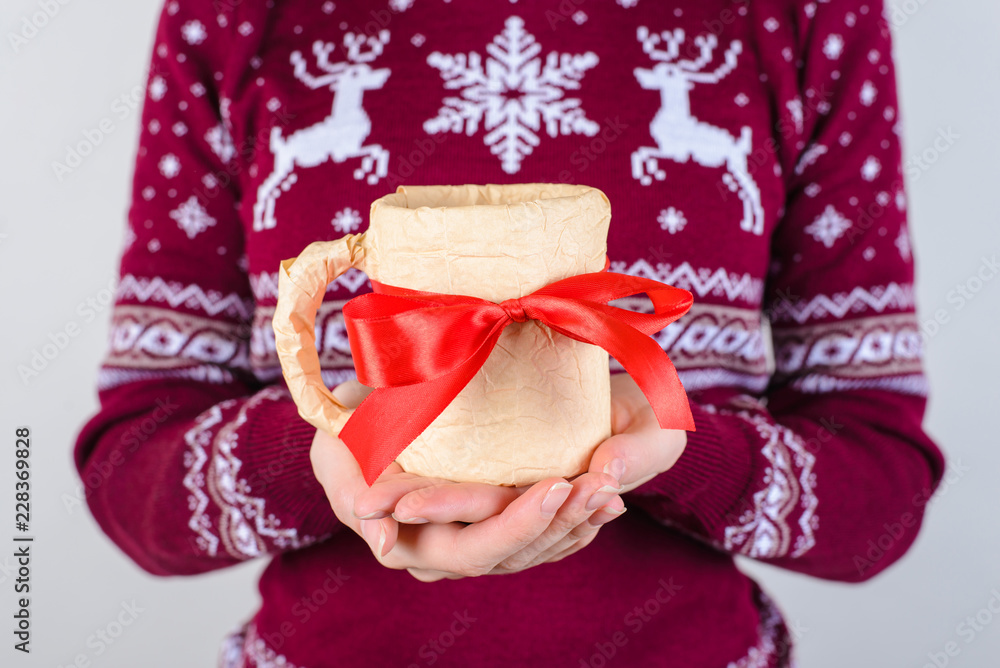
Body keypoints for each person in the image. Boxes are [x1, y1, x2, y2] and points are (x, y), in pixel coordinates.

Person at [73, 1, 945, 666]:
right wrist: (326, 451)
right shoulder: (237, 17)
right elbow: (130, 478)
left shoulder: (802, 17)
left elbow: (881, 501)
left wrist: (686, 448)